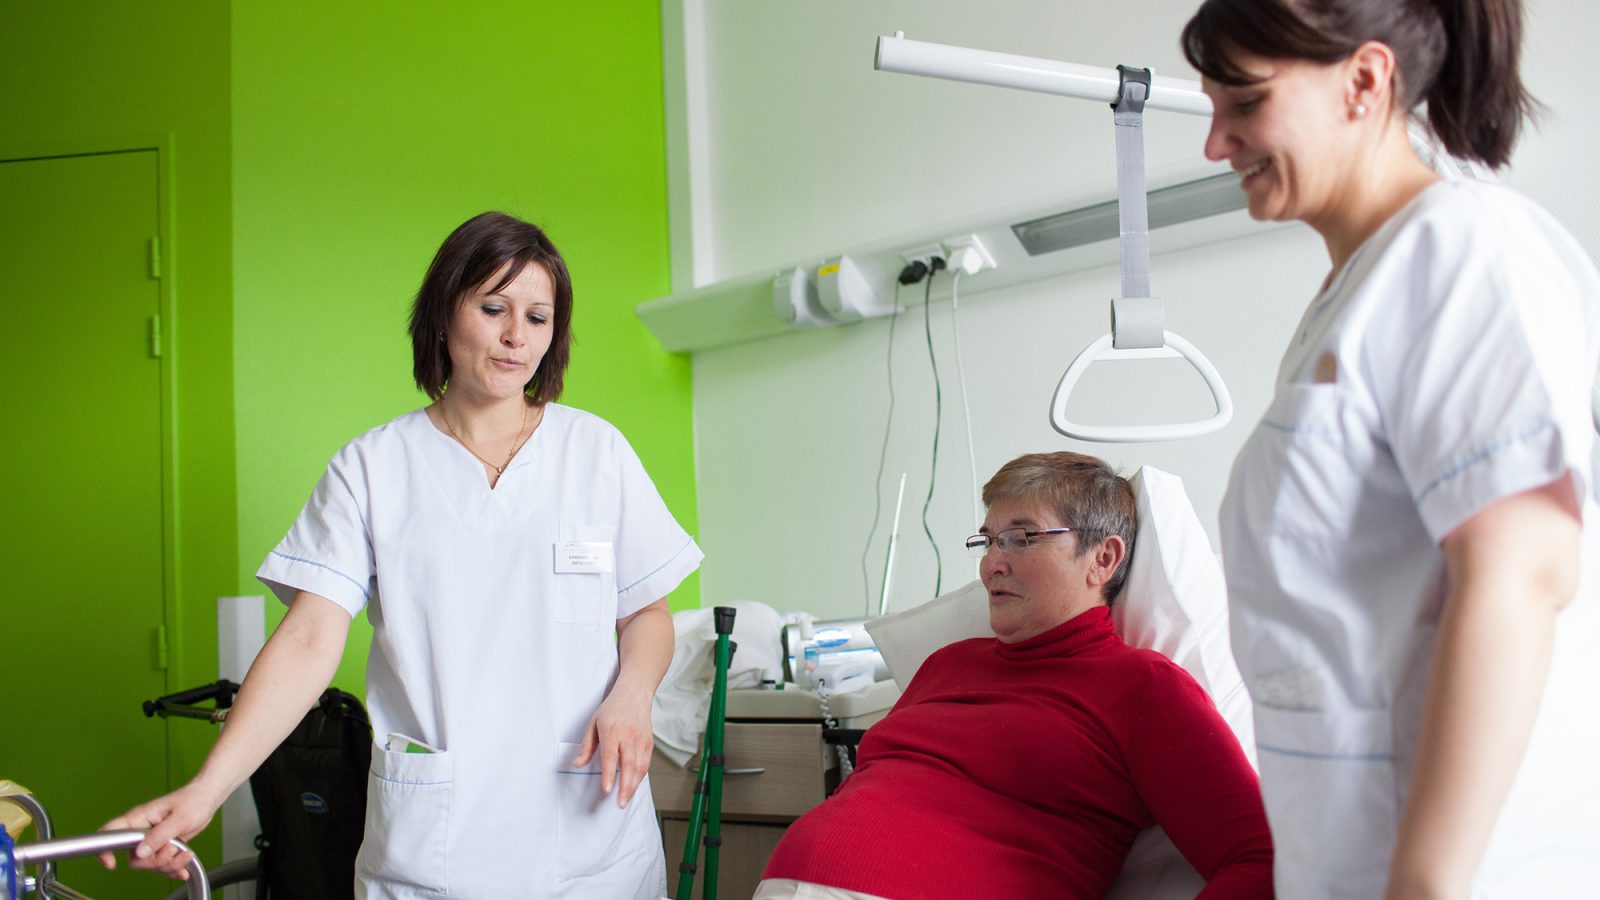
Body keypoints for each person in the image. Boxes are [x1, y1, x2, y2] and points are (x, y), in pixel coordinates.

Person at [99, 212, 703, 898]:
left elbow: (646, 612)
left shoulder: (596, 452)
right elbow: (307, 639)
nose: (516, 336)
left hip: (591, 837)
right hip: (436, 852)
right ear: (445, 312)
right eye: (494, 307)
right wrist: (206, 791)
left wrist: (632, 696)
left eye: (539, 317)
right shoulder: (373, 468)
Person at [1183, 1, 1600, 896]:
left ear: (1365, 82)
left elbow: (1521, 571)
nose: (1216, 144)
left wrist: (1427, 882)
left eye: (1244, 104)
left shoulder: (1463, 249)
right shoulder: (1352, 294)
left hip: (1466, 871)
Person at [756, 452, 1274, 900]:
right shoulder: (947, 664)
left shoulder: (1143, 689)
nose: (991, 566)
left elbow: (1261, 857)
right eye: (988, 541)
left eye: (1021, 538)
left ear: (1103, 558)